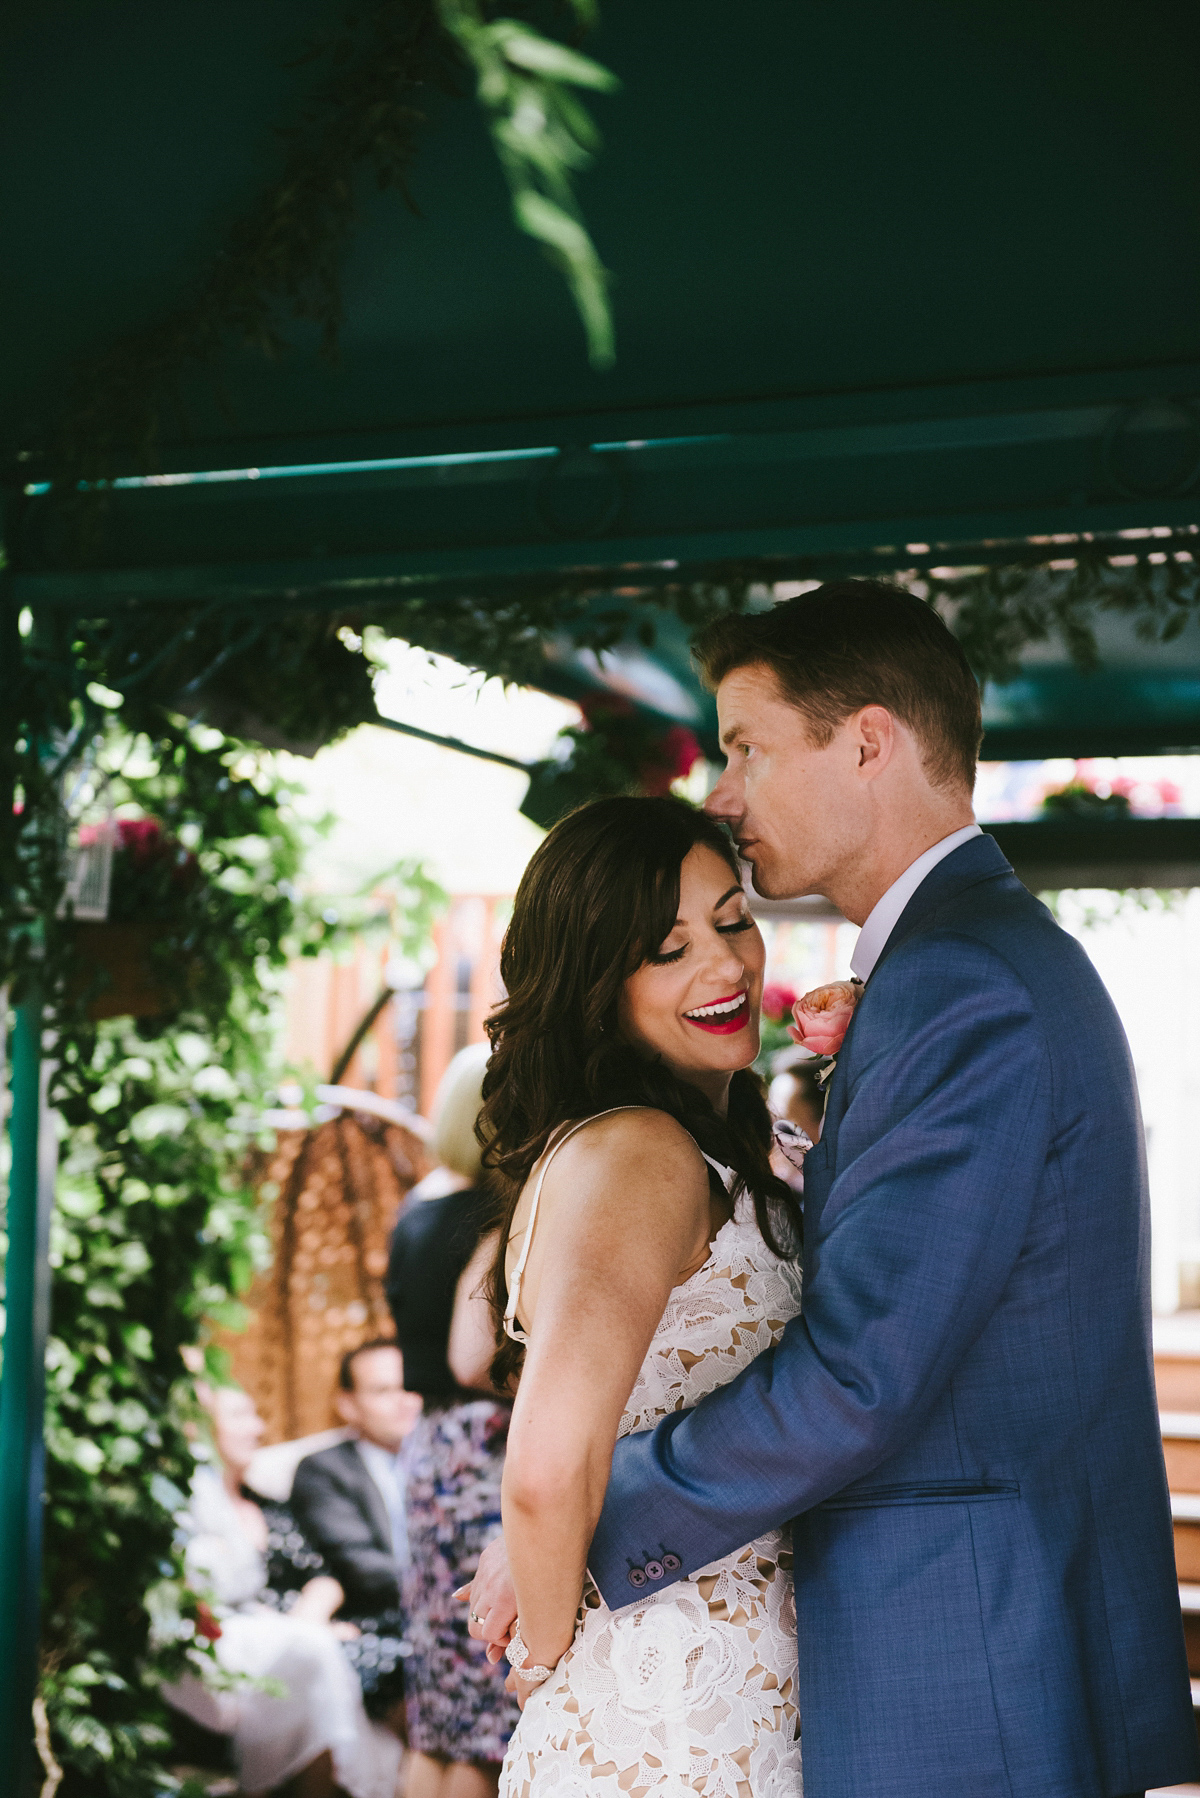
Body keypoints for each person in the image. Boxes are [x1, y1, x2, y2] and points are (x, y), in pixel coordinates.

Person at [467, 578, 1198, 1798]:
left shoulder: (963, 984)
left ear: (866, 741)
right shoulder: (958, 970)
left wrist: (587, 1525)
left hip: (962, 1648)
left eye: (746, 747)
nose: (723, 793)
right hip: (858, 1659)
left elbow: (862, 1370)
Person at [466, 795, 805, 1798]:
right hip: (676, 1718)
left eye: (733, 919)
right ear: (594, 982)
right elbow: (542, 1467)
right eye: (669, 948)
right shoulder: (642, 1155)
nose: (727, 965)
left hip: (740, 1691)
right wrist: (548, 1653)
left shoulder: (718, 1143)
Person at [385, 1044, 520, 1798]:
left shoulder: (417, 1209)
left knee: (438, 1694)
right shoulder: (492, 1212)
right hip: (483, 1449)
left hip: (429, 1447)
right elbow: (475, 1357)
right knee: (484, 1698)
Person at [165, 1383, 403, 1798]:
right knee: (323, 1659)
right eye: (239, 1416)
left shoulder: (269, 1506)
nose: (258, 1427)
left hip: (311, 1630)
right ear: (196, 1426)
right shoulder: (187, 1509)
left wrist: (307, 1625)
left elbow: (323, 1576)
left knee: (385, 1659)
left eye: (257, 1414)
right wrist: (305, 1637)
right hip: (252, 1643)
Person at [291, 1339, 423, 1720]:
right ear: (347, 1404)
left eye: (409, 1386)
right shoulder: (324, 1470)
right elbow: (361, 1567)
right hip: (376, 1622)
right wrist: (451, 1595)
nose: (405, 1400)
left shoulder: (453, 1459)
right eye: (384, 1390)